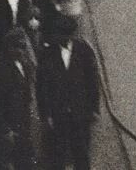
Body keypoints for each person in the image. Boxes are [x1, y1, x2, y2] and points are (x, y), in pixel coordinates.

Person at [37, 15, 101, 170]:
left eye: (66, 35)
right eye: (59, 34)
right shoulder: (47, 54)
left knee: (81, 153)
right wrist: (46, 114)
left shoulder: (84, 51)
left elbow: (93, 82)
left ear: (72, 35)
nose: (62, 38)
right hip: (58, 114)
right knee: (58, 154)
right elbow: (41, 86)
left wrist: (94, 109)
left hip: (80, 112)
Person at [0, 28, 37, 170]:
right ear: (7, 48)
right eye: (15, 46)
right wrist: (5, 130)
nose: (19, 51)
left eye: (23, 47)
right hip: (3, 131)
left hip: (21, 128)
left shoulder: (25, 67)